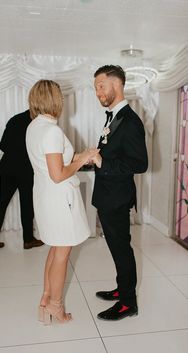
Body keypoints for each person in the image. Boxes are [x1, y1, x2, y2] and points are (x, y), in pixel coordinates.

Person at [26, 79, 99, 324]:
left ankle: (45, 299)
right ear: (53, 100)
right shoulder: (52, 130)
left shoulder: (35, 127)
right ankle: (56, 307)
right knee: (62, 253)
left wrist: (82, 156)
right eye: (60, 97)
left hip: (46, 196)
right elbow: (58, 174)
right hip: (60, 199)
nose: (63, 101)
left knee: (56, 248)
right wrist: (81, 161)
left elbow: (53, 164)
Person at [91, 65, 148, 321]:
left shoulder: (131, 121)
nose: (98, 92)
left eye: (101, 86)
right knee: (117, 248)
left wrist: (104, 163)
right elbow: (114, 152)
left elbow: (140, 163)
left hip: (117, 197)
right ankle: (121, 289)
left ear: (117, 84)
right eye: (96, 88)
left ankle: (128, 303)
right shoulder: (114, 116)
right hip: (107, 195)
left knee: (121, 249)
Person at [0, 110, 44, 250]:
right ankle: (28, 240)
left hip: (7, 168)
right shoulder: (38, 123)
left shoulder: (15, 119)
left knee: (2, 202)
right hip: (25, 169)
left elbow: (2, 146)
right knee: (26, 203)